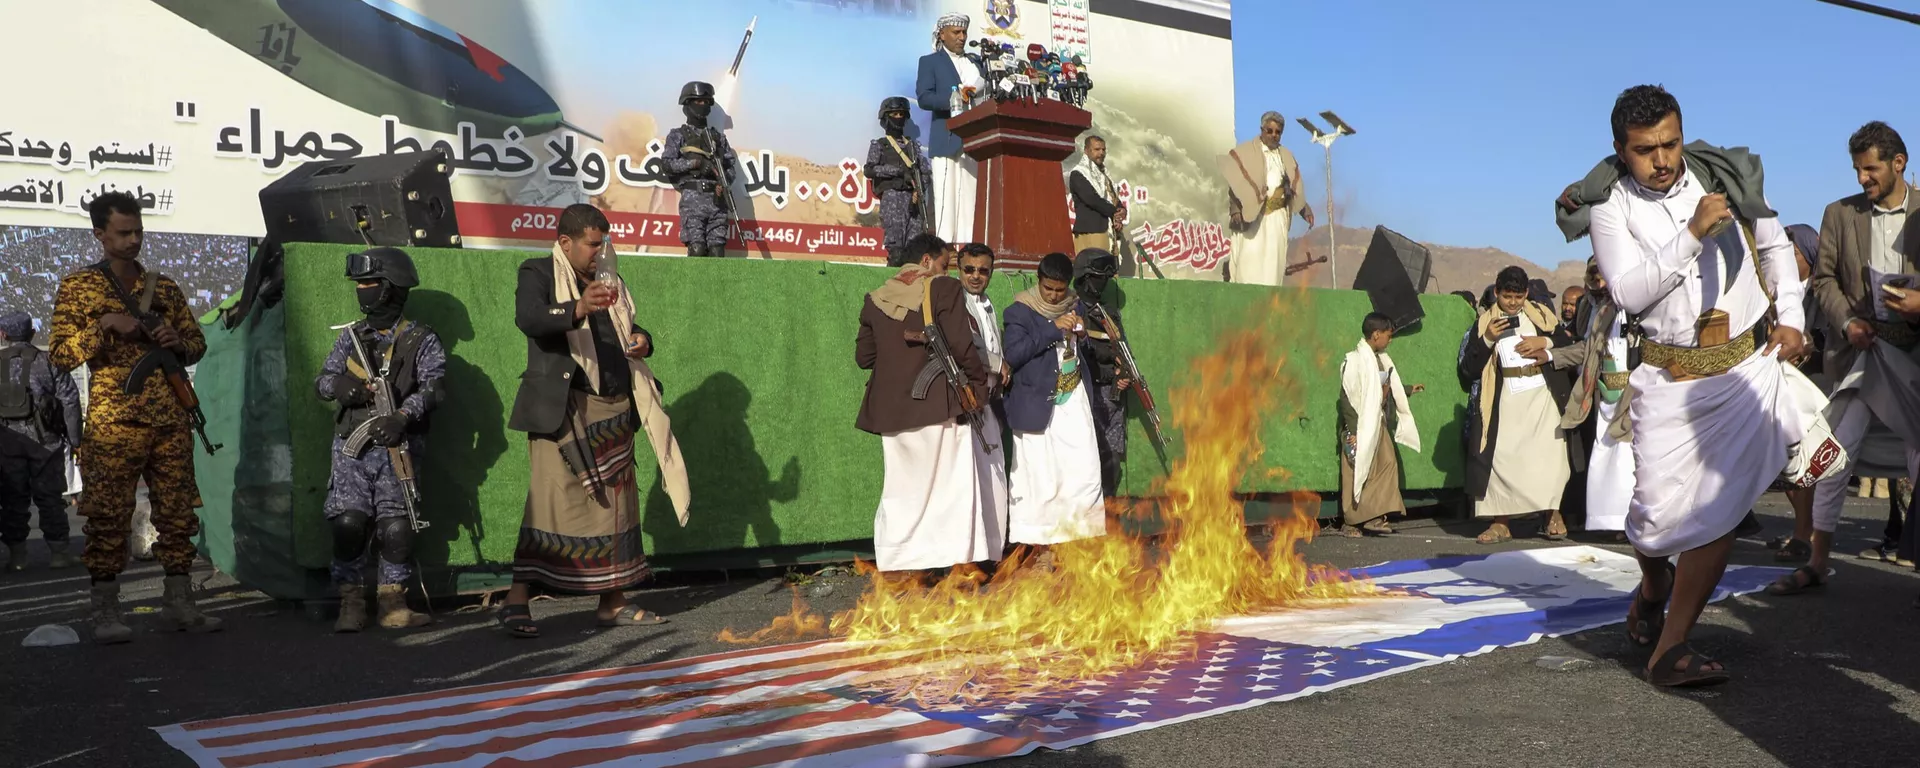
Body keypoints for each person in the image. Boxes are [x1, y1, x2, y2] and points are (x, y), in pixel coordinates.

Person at [1574, 85, 1809, 686]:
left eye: (1671, 143)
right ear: (1620, 150)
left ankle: (1671, 648)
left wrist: (1791, 317)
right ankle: (1653, 583)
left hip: (1739, 372)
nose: (1662, 160)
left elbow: (1775, 243)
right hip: (1666, 378)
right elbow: (1628, 291)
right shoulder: (1612, 207)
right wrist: (1692, 235)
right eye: (1645, 149)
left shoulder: (1724, 177)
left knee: (1719, 511)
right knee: (1653, 518)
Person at [499, 204, 689, 638]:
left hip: (615, 409)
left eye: (602, 242)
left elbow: (624, 329)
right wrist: (577, 307)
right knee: (548, 505)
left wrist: (643, 340)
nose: (599, 250)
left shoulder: (610, 278)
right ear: (566, 242)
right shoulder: (538, 272)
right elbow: (528, 319)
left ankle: (613, 603)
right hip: (564, 411)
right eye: (591, 243)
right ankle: (516, 600)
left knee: (617, 512)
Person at [50, 191, 221, 643]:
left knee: (178, 514)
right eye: (123, 232)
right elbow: (62, 355)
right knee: (107, 516)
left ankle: (180, 603)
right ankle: (106, 611)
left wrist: (176, 341)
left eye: (138, 231)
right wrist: (103, 325)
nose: (133, 240)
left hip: (169, 420)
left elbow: (196, 342)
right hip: (114, 424)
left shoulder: (161, 288)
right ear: (100, 234)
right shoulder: (79, 287)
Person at [1782, 121, 1920, 595]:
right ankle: (1818, 561)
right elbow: (1823, 280)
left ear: (1898, 163)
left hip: (1914, 355)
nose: (1862, 178)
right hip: (1863, 352)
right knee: (1834, 455)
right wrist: (1847, 324)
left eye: (1871, 168)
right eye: (1858, 169)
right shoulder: (1838, 214)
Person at [312, 247, 444, 632]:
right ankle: (350, 602)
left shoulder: (421, 339)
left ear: (390, 289)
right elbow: (321, 382)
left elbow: (434, 389)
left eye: (369, 284)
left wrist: (403, 416)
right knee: (349, 524)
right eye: (361, 284)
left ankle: (393, 602)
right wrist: (339, 385)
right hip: (352, 450)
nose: (362, 290)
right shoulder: (351, 338)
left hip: (397, 449)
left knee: (396, 528)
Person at [855, 233, 997, 574]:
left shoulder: (875, 299)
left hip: (891, 411)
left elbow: (864, 357)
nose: (946, 272)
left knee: (902, 491)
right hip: (939, 406)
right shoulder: (941, 289)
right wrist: (977, 386)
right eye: (944, 264)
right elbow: (963, 348)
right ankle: (950, 567)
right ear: (926, 261)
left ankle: (902, 566)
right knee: (951, 489)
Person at [1002, 253, 1109, 561]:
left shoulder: (1074, 305)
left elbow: (1079, 349)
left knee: (1082, 473)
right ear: (1039, 282)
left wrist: (1081, 333)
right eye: (1048, 289)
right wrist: (1052, 329)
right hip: (1039, 407)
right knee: (1040, 480)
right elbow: (1014, 354)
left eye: (1059, 290)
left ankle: (1078, 547)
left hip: (1073, 402)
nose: (1053, 295)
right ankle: (1040, 551)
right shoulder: (1019, 311)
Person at [1461, 266, 1570, 544]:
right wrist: (1487, 339)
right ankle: (1501, 523)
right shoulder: (1485, 322)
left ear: (1527, 294)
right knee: (1502, 458)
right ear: (1497, 292)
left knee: (1550, 457)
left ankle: (1552, 514)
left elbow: (1564, 342)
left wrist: (1542, 341)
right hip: (1506, 397)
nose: (1512, 303)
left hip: (1541, 396)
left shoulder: (1542, 316)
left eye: (1518, 297)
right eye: (1507, 296)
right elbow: (1469, 369)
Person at [1549, 258, 1630, 536]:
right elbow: (1587, 346)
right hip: (1600, 388)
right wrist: (1551, 354)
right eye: (1593, 280)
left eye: (1602, 279)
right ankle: (1608, 520)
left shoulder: (1632, 303)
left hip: (1632, 387)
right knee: (1604, 452)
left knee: (1627, 455)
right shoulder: (1589, 306)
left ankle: (1629, 521)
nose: (1598, 285)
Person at [0, 311, 81, 571]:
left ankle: (17, 559)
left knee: (12, 499)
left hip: (7, 444)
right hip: (46, 442)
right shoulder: (49, 361)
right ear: (32, 333)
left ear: (3, 335)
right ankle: (59, 554)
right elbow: (69, 401)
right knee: (49, 498)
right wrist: (75, 439)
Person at [1337, 313, 1421, 537]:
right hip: (1359, 427)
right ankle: (1352, 522)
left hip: (1377, 423)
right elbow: (1347, 398)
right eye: (1388, 335)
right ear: (1376, 335)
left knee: (1386, 465)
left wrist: (1408, 389)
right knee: (1357, 471)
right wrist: (1354, 432)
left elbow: (1384, 385)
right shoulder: (1353, 361)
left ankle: (1375, 516)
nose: (1390, 340)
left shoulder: (1381, 359)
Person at [1221, 112, 1315, 286]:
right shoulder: (1246, 152)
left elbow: (1293, 189)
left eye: (1277, 132)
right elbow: (1236, 184)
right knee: (1249, 264)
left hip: (1276, 219)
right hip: (1253, 218)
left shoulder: (1285, 157)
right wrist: (1235, 209)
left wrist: (1304, 209)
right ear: (1262, 130)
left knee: (1273, 265)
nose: (1273, 135)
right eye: (1270, 131)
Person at [916, 13, 986, 244]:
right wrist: (954, 98)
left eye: (964, 32)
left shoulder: (975, 63)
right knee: (947, 195)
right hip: (946, 136)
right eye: (956, 32)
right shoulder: (930, 62)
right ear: (942, 35)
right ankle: (945, 247)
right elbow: (925, 98)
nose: (962, 37)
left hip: (974, 140)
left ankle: (968, 246)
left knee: (970, 195)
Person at [956, 243, 1009, 546]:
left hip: (989, 401)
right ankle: (969, 553)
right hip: (965, 403)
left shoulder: (988, 303)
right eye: (969, 269)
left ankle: (992, 550)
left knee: (993, 476)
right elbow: (967, 346)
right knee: (969, 479)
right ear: (958, 269)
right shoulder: (954, 302)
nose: (976, 276)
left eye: (983, 271)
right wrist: (999, 363)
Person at [1071, 249, 1131, 496]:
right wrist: (1107, 356)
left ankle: (1110, 519)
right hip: (1084, 391)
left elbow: (1123, 348)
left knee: (1111, 462)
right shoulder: (1072, 308)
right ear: (1084, 277)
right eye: (1098, 277)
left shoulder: (1107, 313)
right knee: (1086, 459)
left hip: (1110, 395)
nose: (1102, 283)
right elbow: (1076, 350)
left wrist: (1123, 372)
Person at [662, 81, 739, 258]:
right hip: (693, 202)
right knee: (697, 250)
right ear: (687, 105)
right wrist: (695, 164)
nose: (702, 105)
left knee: (717, 251)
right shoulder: (678, 135)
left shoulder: (718, 138)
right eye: (698, 102)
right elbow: (667, 164)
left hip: (717, 201)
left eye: (706, 102)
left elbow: (730, 167)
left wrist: (723, 181)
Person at [865, 96, 935, 267]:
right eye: (894, 114)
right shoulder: (880, 145)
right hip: (893, 199)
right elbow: (870, 169)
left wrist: (919, 186)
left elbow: (925, 171)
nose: (898, 118)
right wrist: (898, 172)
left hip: (914, 200)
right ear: (885, 117)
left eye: (901, 114)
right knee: (896, 251)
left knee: (914, 250)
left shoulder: (913, 147)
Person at [1068, 136, 1125, 256]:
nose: (1101, 153)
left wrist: (1121, 210)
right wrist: (1114, 212)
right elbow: (1091, 199)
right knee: (1093, 270)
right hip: (1091, 231)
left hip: (1108, 231)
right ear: (1086, 150)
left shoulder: (1104, 175)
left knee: (1109, 271)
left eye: (1103, 150)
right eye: (1097, 149)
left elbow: (1112, 196)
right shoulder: (1078, 173)